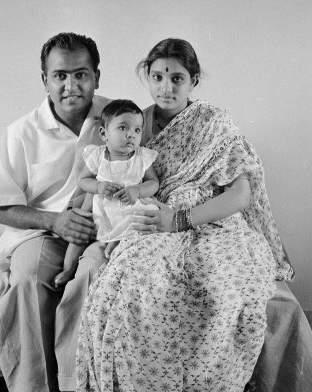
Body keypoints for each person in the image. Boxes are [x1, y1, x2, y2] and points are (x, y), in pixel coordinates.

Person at [76, 38, 294, 392]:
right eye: (158, 76)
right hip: (151, 220)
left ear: (193, 81)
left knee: (222, 292)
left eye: (177, 78)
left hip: (207, 220)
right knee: (133, 290)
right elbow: (100, 177)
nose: (166, 87)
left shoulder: (213, 122)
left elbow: (241, 194)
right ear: (146, 76)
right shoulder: (132, 123)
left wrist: (180, 219)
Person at [0, 32, 111, 392]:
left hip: (99, 232)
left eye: (81, 74)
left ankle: (79, 385)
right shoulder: (21, 132)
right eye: (60, 76)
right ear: (45, 81)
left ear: (96, 77)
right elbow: (2, 207)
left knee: (97, 275)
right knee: (26, 278)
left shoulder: (119, 116)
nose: (71, 85)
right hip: (42, 232)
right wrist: (55, 221)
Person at [54, 99, 159, 288]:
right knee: (79, 236)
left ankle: (114, 244)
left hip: (128, 209)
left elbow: (154, 183)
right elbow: (83, 180)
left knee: (136, 228)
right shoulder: (97, 155)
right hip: (100, 210)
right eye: (123, 128)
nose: (131, 135)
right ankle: (67, 270)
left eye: (137, 130)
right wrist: (99, 186)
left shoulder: (141, 157)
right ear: (104, 134)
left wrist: (138, 189)